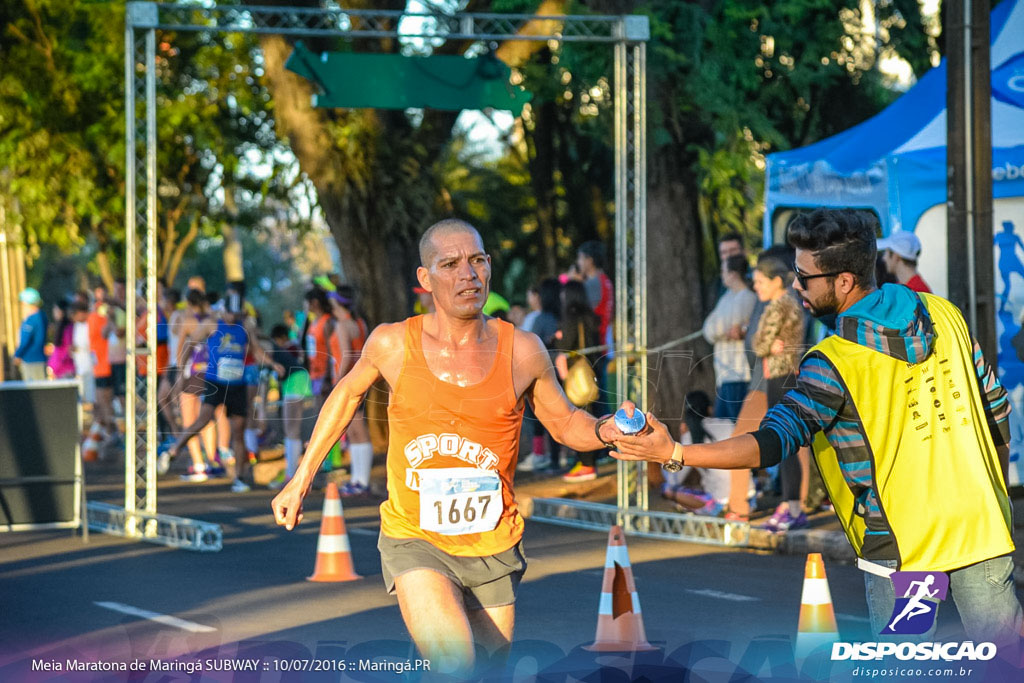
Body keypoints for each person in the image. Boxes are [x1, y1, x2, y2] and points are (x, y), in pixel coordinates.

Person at [614, 208, 1023, 649]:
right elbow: (996, 410)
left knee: (908, 666)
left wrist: (674, 453)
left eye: (803, 277)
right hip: (978, 523)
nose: (795, 285)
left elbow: (770, 443)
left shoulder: (833, 362)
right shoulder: (945, 315)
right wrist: (991, 493)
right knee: (1005, 660)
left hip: (901, 548)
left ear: (843, 281)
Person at [271, 219, 628, 676]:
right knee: (456, 663)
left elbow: (565, 425)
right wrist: (300, 480)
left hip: (492, 541)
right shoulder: (393, 342)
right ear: (426, 278)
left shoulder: (522, 350)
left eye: (477, 261)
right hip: (415, 537)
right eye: (451, 264)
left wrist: (606, 431)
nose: (469, 274)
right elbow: (345, 396)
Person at [165, 286, 282, 492]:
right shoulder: (212, 324)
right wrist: (181, 371)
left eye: (237, 314)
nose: (233, 317)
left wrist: (273, 364)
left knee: (238, 430)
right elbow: (191, 342)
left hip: (237, 384)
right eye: (230, 313)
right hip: (215, 382)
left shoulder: (244, 326)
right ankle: (174, 449)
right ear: (223, 310)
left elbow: (256, 348)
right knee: (204, 419)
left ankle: (239, 477)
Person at [751, 254, 806, 532]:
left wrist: (765, 344)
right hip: (787, 375)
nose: (756, 287)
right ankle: (790, 504)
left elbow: (759, 344)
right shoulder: (792, 303)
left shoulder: (778, 306)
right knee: (787, 441)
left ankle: (791, 506)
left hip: (781, 376)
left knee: (784, 441)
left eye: (760, 281)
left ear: (775, 281)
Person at [556, 280, 603, 482]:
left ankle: (586, 464)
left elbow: (566, 345)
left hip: (577, 375)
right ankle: (591, 460)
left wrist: (558, 338)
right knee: (592, 416)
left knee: (578, 418)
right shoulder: (590, 317)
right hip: (591, 372)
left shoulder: (571, 318)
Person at [702, 254, 757, 421]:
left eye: (724, 271)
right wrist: (722, 331)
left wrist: (722, 330)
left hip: (739, 374)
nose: (722, 275)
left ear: (733, 274)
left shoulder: (747, 297)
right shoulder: (727, 298)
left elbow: (719, 326)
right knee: (722, 425)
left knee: (736, 425)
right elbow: (708, 329)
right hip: (725, 375)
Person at [14, 288, 48, 381]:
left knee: (34, 390)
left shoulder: (31, 320)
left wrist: (17, 355)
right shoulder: (42, 316)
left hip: (31, 360)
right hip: (40, 359)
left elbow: (25, 341)